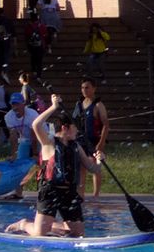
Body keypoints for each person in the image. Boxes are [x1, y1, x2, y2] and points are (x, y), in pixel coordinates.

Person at [24, 98, 103, 238]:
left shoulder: (76, 146)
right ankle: (24, 224)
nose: (77, 131)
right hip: (50, 191)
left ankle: (52, 225)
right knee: (39, 234)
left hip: (69, 193)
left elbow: (93, 169)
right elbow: (36, 124)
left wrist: (99, 161)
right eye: (75, 127)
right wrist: (53, 107)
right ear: (65, 127)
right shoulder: (49, 143)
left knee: (78, 234)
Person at [73, 79, 109, 200]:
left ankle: (96, 195)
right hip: (81, 141)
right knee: (81, 168)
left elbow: (106, 125)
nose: (84, 90)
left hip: (94, 142)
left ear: (94, 88)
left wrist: (101, 143)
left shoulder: (98, 105)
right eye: (82, 87)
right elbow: (74, 122)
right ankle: (81, 195)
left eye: (87, 87)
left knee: (95, 168)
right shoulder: (78, 104)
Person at [3, 94, 36, 162]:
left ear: (23, 104)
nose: (15, 107)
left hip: (40, 138)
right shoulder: (8, 117)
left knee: (38, 160)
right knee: (20, 160)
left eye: (17, 104)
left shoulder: (32, 114)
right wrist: (14, 155)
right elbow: (13, 136)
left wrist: (35, 154)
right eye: (13, 104)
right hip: (26, 140)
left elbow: (34, 135)